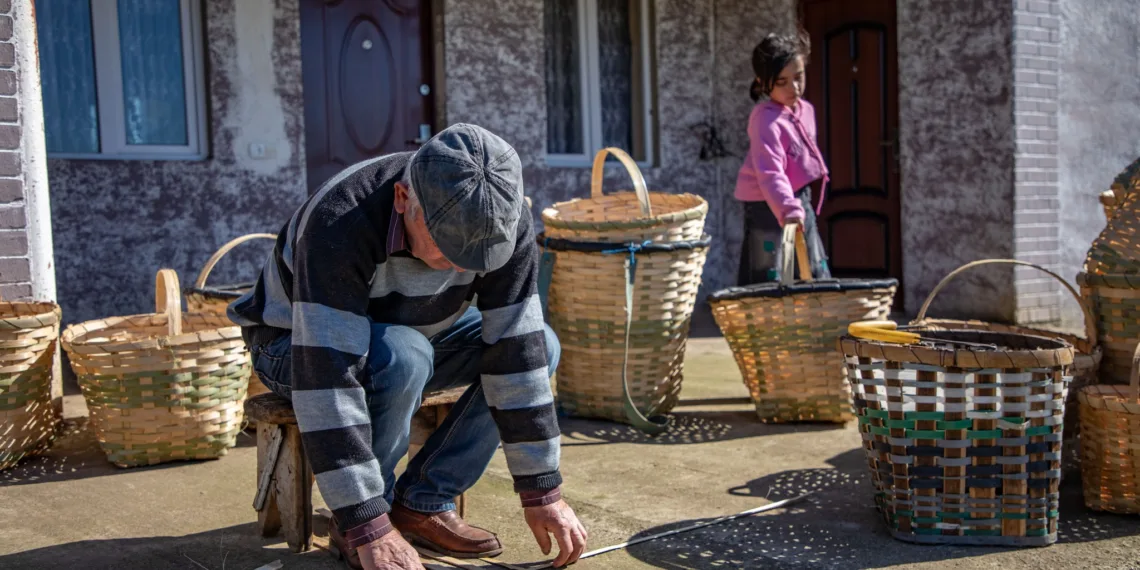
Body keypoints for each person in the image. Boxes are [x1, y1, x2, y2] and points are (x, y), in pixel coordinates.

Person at [228, 124, 588, 569]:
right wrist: (365, 523)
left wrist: (542, 490)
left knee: (540, 346)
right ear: (403, 200)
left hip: (411, 339)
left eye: (477, 257)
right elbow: (328, 379)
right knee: (403, 355)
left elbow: (519, 353)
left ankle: (421, 503)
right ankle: (366, 517)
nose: (458, 267)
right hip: (292, 347)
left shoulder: (504, 218)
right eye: (446, 247)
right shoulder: (341, 217)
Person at [736, 31, 832, 283]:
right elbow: (770, 172)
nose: (794, 88)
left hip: (800, 199)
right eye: (782, 82)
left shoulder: (806, 111)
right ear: (763, 82)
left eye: (799, 77)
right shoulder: (764, 119)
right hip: (765, 205)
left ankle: (816, 319)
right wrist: (787, 209)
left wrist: (796, 205)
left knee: (813, 268)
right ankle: (761, 323)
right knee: (767, 276)